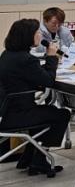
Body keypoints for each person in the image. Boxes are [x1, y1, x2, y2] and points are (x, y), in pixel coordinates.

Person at [0, 19, 70, 176]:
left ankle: (29, 158)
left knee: (45, 112)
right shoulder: (26, 59)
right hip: (17, 114)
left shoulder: (8, 55)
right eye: (37, 32)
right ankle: (40, 158)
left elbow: (32, 76)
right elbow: (48, 81)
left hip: (6, 111)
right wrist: (52, 57)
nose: (40, 35)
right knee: (62, 114)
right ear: (28, 36)